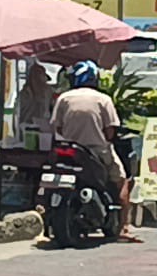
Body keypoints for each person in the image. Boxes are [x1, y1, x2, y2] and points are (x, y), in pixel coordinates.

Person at [52, 60, 141, 243]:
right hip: (97, 151)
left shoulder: (64, 98)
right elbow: (110, 132)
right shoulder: (103, 99)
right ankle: (124, 228)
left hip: (68, 149)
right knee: (122, 181)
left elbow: (57, 127)